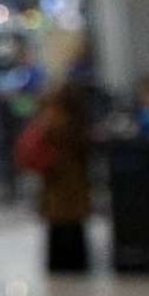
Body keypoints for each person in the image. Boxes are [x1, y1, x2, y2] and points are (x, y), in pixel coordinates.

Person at [19, 77, 97, 274]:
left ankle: (61, 264)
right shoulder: (76, 120)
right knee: (72, 225)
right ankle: (76, 263)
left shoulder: (53, 119)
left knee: (60, 226)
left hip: (57, 180)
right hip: (69, 180)